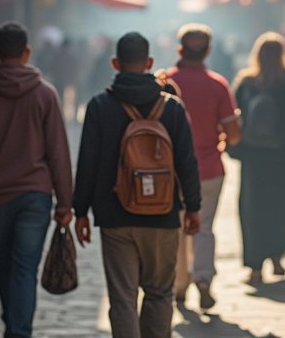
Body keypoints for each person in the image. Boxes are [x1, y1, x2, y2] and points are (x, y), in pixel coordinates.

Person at [73, 32, 202, 338]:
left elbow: (87, 163)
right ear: (150, 63)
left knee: (122, 298)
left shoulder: (100, 106)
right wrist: (193, 207)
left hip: (115, 217)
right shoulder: (172, 108)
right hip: (163, 214)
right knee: (159, 294)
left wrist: (80, 211)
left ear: (116, 63)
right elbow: (187, 162)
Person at [0, 23, 73, 338]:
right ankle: (17, 329)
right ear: (27, 52)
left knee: (6, 267)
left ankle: (16, 330)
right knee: (22, 269)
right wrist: (65, 202)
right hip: (36, 195)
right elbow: (58, 152)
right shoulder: (46, 94)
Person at [164, 24, 241, 310]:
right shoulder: (218, 84)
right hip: (209, 169)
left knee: (176, 227)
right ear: (208, 51)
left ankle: (179, 284)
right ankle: (204, 278)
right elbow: (233, 133)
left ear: (180, 49)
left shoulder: (166, 82)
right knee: (204, 227)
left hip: (170, 172)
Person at [231, 32, 285, 285]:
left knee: (252, 206)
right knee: (282, 204)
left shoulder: (245, 82)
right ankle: (276, 255)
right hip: (281, 154)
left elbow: (232, 117)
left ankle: (254, 266)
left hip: (253, 155)